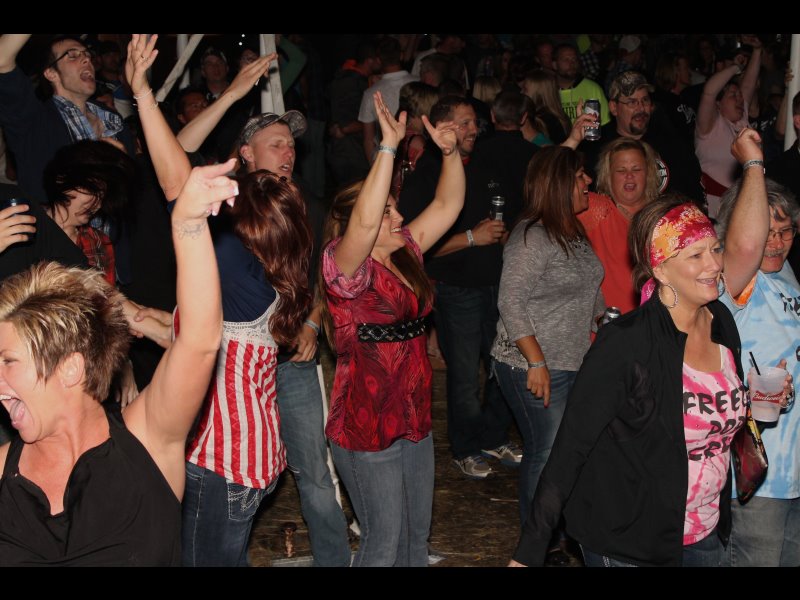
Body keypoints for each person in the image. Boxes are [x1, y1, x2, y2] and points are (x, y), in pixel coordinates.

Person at [510, 128, 786, 567]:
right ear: (659, 268)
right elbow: (568, 451)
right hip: (630, 539)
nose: (714, 264)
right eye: (695, 256)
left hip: (705, 532)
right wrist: (528, 554)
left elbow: (706, 407)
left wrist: (751, 398)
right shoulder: (626, 344)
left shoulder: (721, 323)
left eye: (714, 249)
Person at [0, 155, 237, 564]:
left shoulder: (147, 442)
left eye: (8, 362)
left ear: (70, 367)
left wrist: (189, 226)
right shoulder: (4, 470)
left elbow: (199, 343)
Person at [320, 91, 464, 566]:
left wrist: (450, 153)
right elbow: (364, 225)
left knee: (415, 539)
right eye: (387, 211)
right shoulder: (346, 265)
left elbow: (448, 204)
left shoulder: (406, 253)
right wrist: (387, 146)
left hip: (413, 413)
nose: (399, 217)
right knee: (383, 543)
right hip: (367, 420)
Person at [490, 146, 604, 539]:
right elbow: (510, 301)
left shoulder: (572, 231)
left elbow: (590, 290)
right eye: (579, 176)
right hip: (530, 364)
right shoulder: (532, 237)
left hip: (571, 360)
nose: (588, 181)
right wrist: (536, 362)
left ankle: (559, 532)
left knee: (567, 450)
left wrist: (608, 323)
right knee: (547, 450)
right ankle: (536, 542)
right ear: (559, 184)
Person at [716, 177, 800, 566]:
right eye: (767, 232)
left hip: (792, 466)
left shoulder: (786, 274)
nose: (777, 243)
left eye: (786, 231)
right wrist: (752, 160)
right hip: (757, 471)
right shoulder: (735, 279)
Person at [579, 137, 660, 313]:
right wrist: (573, 140)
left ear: (648, 173)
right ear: (608, 176)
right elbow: (551, 187)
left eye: (636, 169)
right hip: (611, 323)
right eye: (621, 170)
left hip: (655, 321)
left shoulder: (662, 215)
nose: (629, 176)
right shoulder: (596, 208)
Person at [695, 35, 762, 217]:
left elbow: (748, 84)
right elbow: (709, 92)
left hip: (744, 207)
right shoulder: (709, 127)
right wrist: (735, 67)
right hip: (715, 212)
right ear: (718, 104)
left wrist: (757, 50)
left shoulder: (742, 121)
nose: (740, 99)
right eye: (733, 95)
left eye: (739, 96)